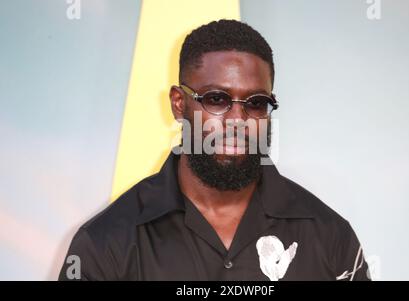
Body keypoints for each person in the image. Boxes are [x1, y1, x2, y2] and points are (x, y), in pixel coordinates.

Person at [59, 19, 370, 281]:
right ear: (179, 104)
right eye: (217, 99)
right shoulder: (105, 244)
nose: (238, 120)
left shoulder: (331, 238)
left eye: (256, 103)